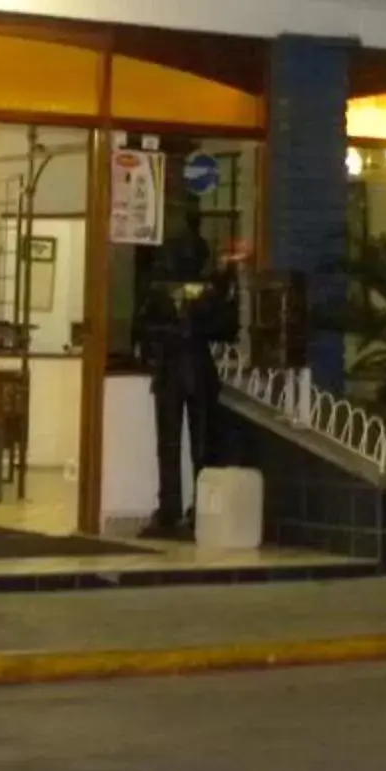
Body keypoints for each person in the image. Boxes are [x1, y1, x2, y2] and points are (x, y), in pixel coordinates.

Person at [137, 207, 243, 538]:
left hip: (190, 370)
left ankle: (196, 509)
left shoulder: (208, 289)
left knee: (199, 446)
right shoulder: (162, 289)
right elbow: (145, 328)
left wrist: (195, 323)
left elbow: (226, 327)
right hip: (179, 369)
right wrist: (178, 329)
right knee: (173, 445)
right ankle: (171, 508)